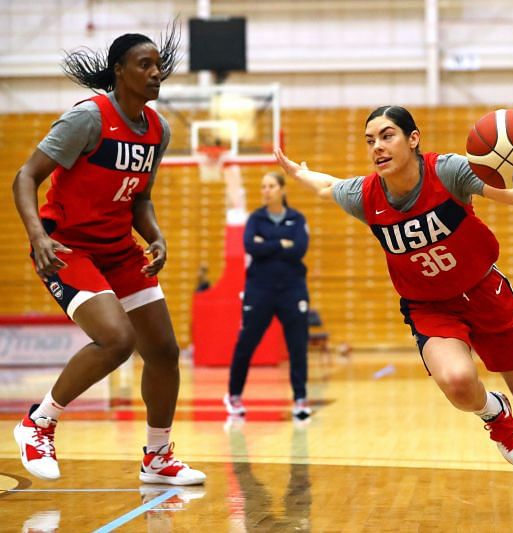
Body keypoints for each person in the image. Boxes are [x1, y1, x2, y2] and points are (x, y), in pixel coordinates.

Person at [274, 105, 513, 503]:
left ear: (413, 138)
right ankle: (494, 415)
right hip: (430, 308)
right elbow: (327, 186)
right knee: (458, 383)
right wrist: (297, 171)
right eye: (370, 140)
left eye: (387, 136)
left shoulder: (448, 171)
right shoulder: (366, 196)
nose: (377, 147)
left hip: (484, 294)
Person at [11, 27, 205, 485]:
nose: (156, 73)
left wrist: (154, 236)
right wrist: (37, 236)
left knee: (163, 351)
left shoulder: (158, 129)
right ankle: (38, 422)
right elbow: (25, 176)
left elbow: (139, 199)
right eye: (144, 65)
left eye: (159, 66)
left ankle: (157, 458)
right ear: (119, 72)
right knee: (117, 340)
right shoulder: (88, 119)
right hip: (68, 248)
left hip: (119, 249)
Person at [223, 172, 312, 421]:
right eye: (263, 186)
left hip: (292, 290)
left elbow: (299, 250)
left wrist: (268, 244)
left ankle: (300, 400)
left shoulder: (297, 218)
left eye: (271, 186)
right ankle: (234, 395)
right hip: (259, 290)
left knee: (297, 347)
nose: (266, 190)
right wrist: (281, 244)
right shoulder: (255, 218)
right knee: (245, 344)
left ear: (282, 189)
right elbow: (251, 246)